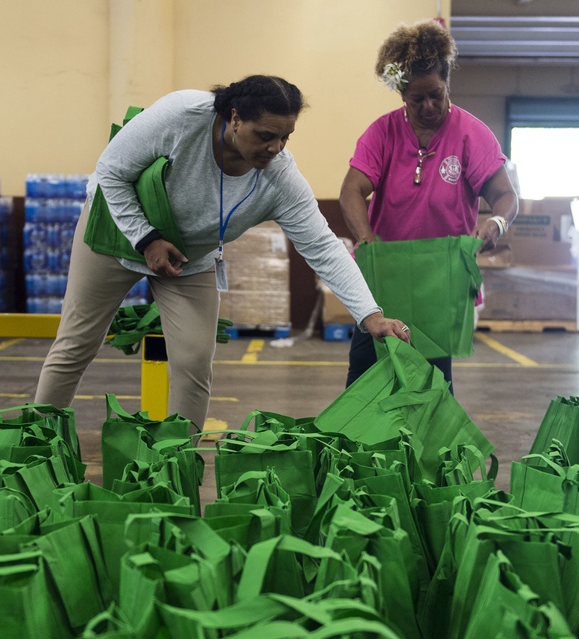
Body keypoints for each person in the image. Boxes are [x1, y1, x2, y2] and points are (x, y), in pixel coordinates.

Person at [34, 75, 410, 431]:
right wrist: (146, 239)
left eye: (285, 137)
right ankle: (38, 443)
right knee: (76, 344)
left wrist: (370, 315)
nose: (275, 148)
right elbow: (109, 172)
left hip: (188, 258)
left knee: (195, 361)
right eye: (265, 135)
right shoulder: (182, 116)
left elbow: (323, 247)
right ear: (234, 118)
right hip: (114, 232)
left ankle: (179, 464)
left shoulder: (279, 177)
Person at [340, 19, 519, 389]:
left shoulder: (472, 135)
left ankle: (430, 447)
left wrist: (496, 224)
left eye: (435, 94)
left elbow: (505, 196)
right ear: (401, 95)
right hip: (384, 274)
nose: (428, 106)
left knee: (432, 382)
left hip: (440, 280)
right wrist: (366, 240)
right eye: (415, 98)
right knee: (367, 373)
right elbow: (351, 191)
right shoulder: (382, 133)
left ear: (448, 81)